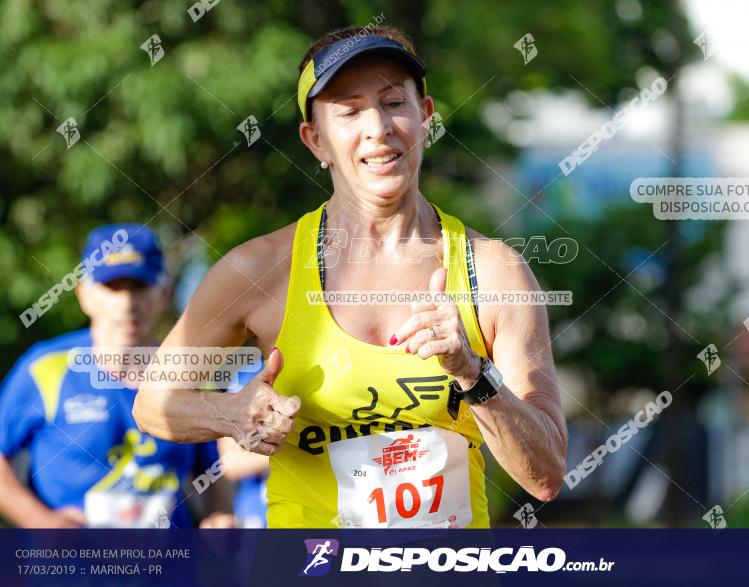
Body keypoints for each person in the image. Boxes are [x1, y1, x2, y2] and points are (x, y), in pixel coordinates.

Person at [133, 25, 567, 528]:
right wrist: (229, 416)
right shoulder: (259, 270)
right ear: (314, 140)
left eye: (392, 102)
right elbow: (154, 405)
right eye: (349, 111)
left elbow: (546, 474)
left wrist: (472, 372)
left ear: (425, 117)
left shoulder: (493, 271)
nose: (378, 128)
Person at [0, 224, 233, 528]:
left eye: (139, 287)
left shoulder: (186, 373)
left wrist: (220, 516)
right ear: (84, 294)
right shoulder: (44, 368)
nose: (127, 304)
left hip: (169, 570)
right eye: (113, 288)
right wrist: (41, 522)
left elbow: (212, 469)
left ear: (164, 294)